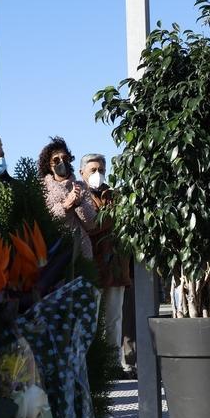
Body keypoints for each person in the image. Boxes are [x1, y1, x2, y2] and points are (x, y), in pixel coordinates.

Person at [82, 153, 136, 379]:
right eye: (93, 169)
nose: (98, 174)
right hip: (90, 267)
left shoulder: (115, 195)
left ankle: (114, 364)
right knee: (91, 320)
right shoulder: (79, 196)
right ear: (82, 172)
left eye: (101, 169)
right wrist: (109, 218)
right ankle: (92, 365)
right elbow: (90, 226)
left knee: (114, 319)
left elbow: (124, 220)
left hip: (115, 267)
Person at [39, 136, 97, 259]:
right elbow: (44, 219)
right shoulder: (42, 189)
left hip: (81, 251)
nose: (61, 162)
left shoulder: (81, 187)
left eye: (65, 158)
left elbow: (91, 224)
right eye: (56, 160)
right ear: (49, 165)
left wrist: (79, 204)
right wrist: (66, 205)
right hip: (54, 250)